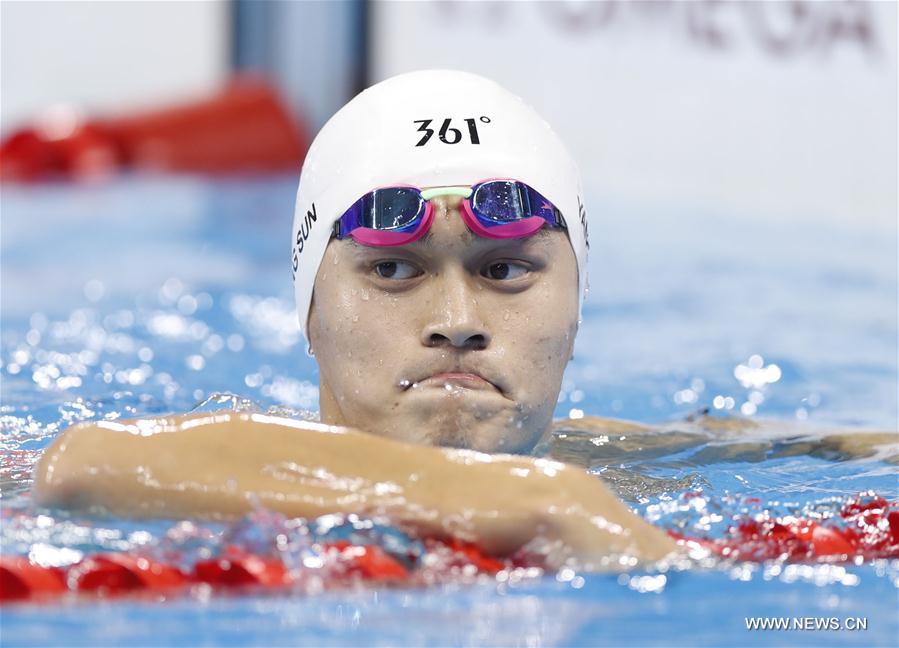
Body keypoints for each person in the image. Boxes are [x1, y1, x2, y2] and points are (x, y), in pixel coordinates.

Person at [32, 71, 893, 569]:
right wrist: (532, 501)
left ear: (577, 308)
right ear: (308, 313)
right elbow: (85, 464)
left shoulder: (595, 466)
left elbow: (715, 440)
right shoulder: (555, 492)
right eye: (391, 270)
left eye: (506, 271)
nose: (454, 321)